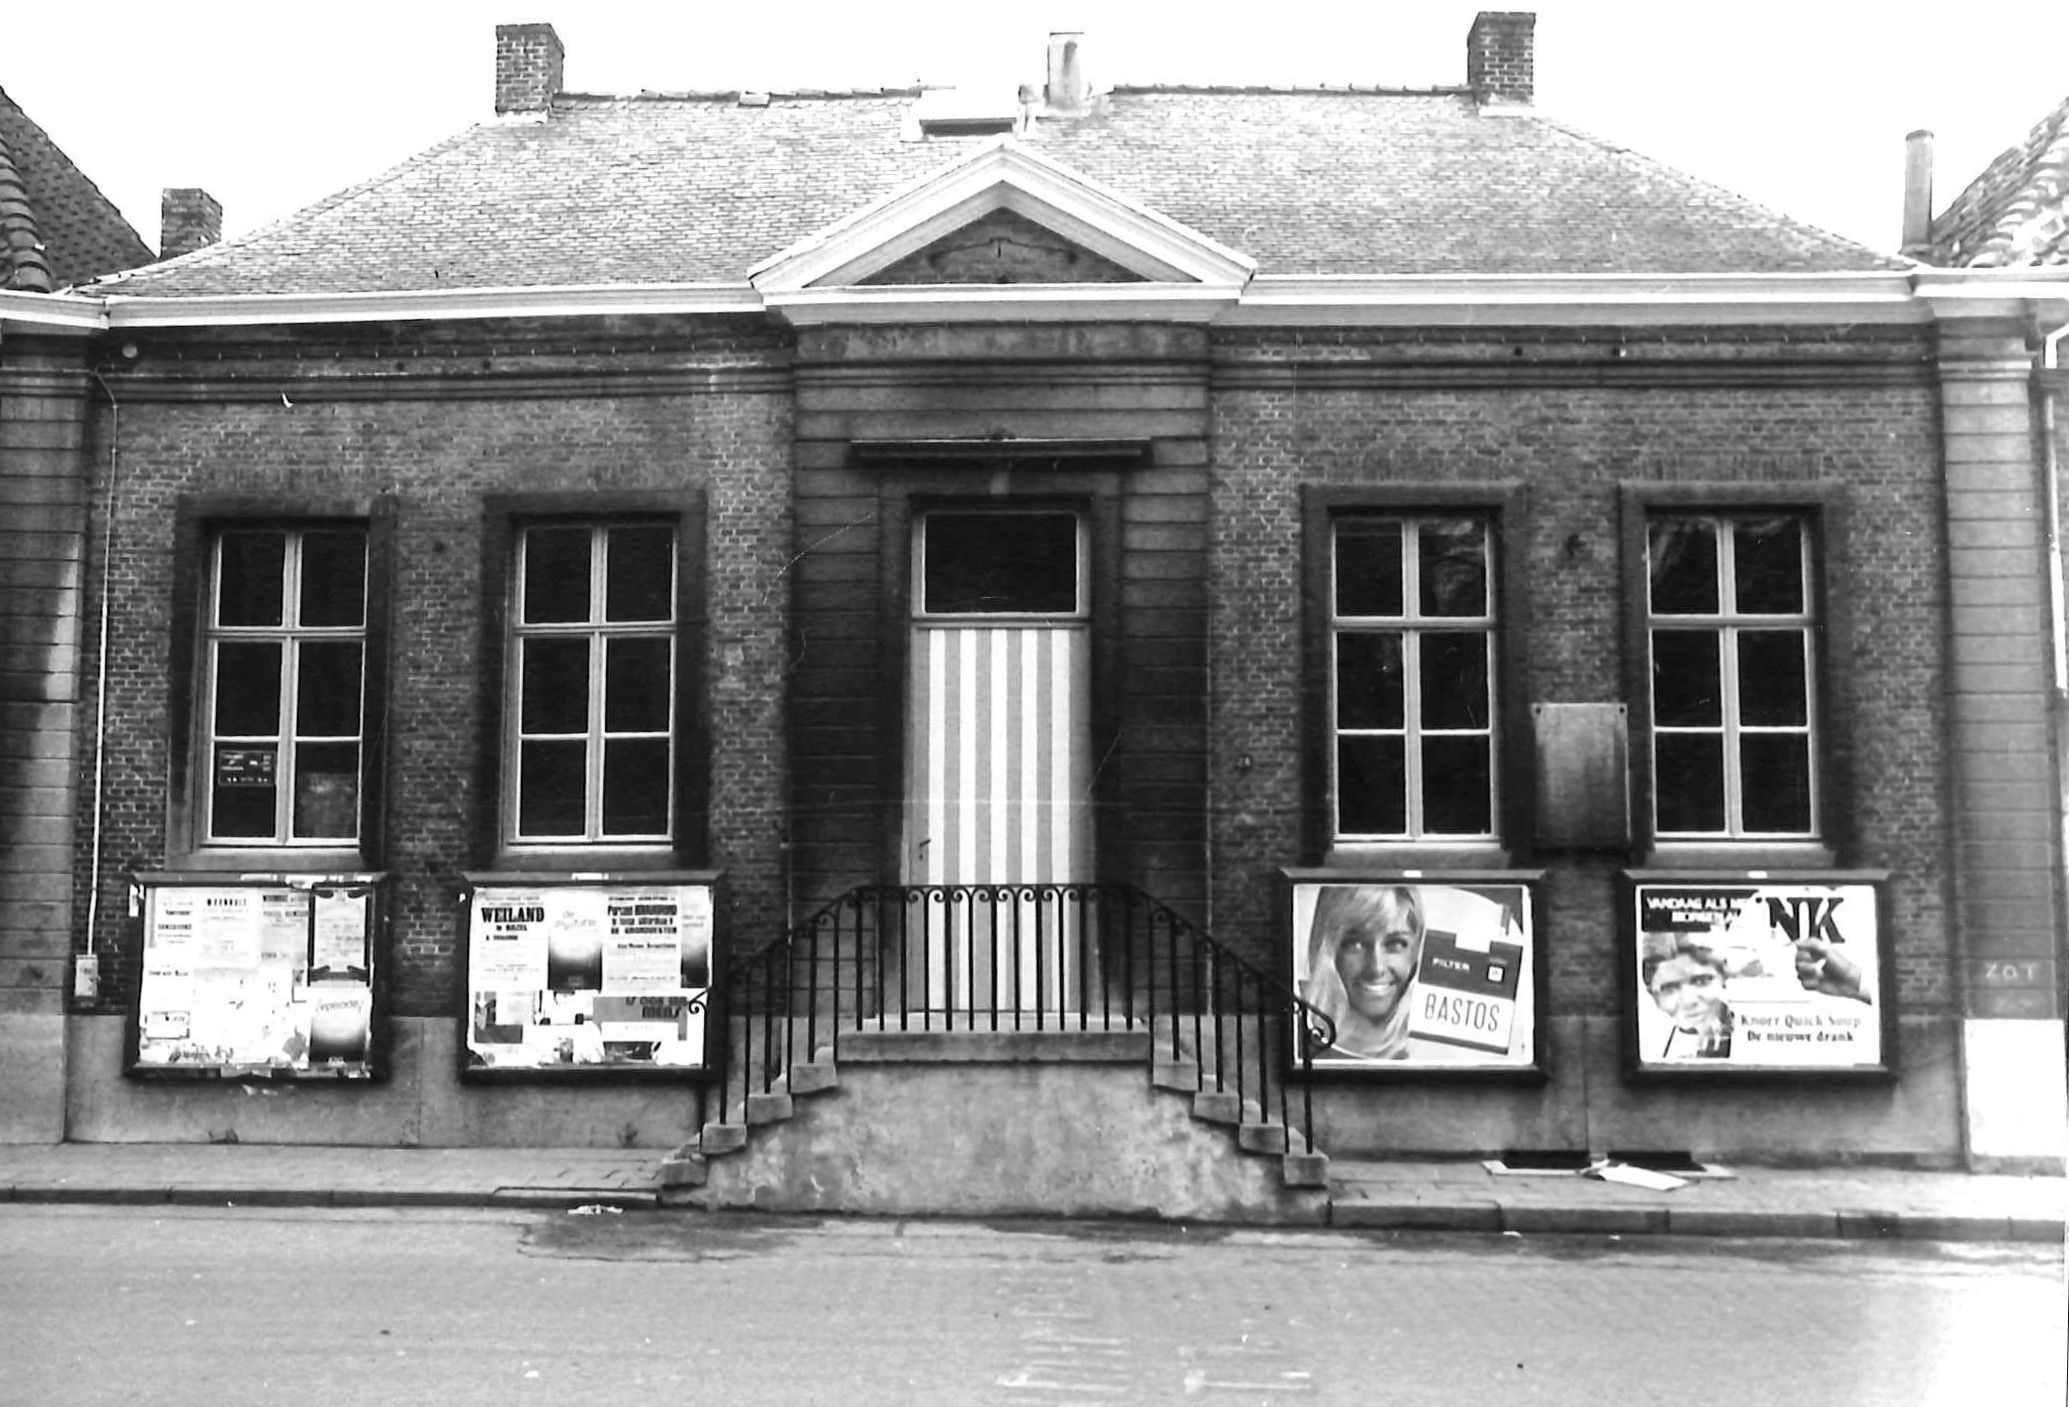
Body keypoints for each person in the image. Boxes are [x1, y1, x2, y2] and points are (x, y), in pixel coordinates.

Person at [1303, 885, 1424, 1060]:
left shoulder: (1436, 1050)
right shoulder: (1299, 1032)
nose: (1376, 968)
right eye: (1355, 944)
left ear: (1416, 952)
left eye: (1395, 944)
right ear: (1328, 949)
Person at [1640, 932, 1734, 1059]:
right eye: (1669, 989)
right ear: (1654, 997)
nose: (1688, 1000)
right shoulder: (1650, 1049)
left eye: (1701, 981)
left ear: (1724, 980)